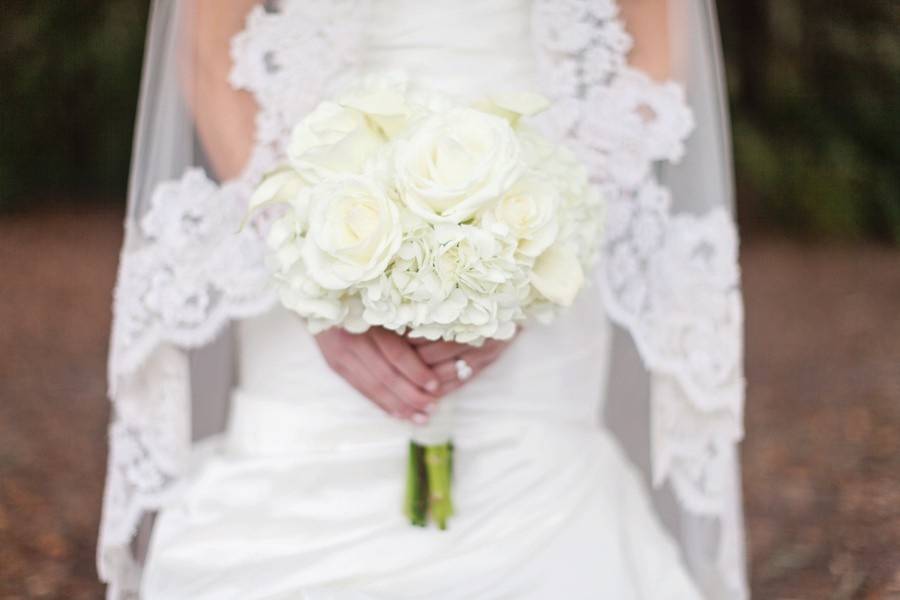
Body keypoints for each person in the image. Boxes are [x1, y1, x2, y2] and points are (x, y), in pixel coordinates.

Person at [99, 1, 747, 598]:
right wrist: (310, 268)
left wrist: (532, 262)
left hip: (539, 218)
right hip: (314, 213)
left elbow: (655, 53)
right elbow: (209, 55)